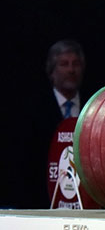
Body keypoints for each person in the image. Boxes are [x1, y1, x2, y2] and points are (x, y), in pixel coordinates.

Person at [3, 40, 89, 208]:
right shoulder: (33, 110)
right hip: (42, 203)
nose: (71, 70)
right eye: (64, 64)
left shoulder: (93, 106)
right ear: (52, 72)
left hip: (86, 205)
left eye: (76, 64)